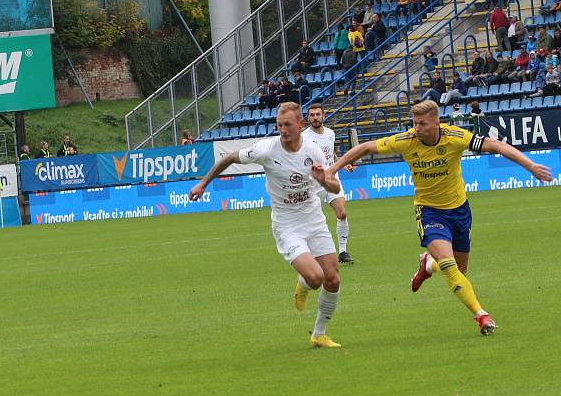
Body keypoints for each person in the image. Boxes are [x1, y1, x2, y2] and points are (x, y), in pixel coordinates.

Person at [326, 100, 552, 336]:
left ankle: (428, 264)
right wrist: (333, 170)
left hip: (459, 210)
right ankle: (481, 315)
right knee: (450, 266)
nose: (417, 128)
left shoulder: (454, 137)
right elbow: (366, 148)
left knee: (460, 269)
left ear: (436, 122)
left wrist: (530, 165)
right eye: (415, 123)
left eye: (422, 123)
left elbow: (496, 146)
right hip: (429, 211)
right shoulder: (406, 140)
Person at [189, 102, 344, 348]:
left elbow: (334, 186)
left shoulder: (313, 151)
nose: (283, 130)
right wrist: (202, 184)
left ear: (300, 125)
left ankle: (318, 334)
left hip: (313, 219)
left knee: (333, 279)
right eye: (279, 125)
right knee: (315, 278)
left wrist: (323, 180)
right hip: (287, 225)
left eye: (288, 125)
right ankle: (303, 285)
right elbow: (229, 157)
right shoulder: (267, 150)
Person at [302, 103, 355, 264]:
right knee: (312, 222)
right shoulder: (304, 137)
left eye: (318, 114)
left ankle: (343, 252)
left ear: (323, 115)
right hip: (314, 184)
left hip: (332, 179)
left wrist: (342, 163)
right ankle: (311, 255)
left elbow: (331, 153)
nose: (315, 117)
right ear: (308, 117)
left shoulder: (330, 134)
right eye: (312, 115)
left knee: (342, 214)